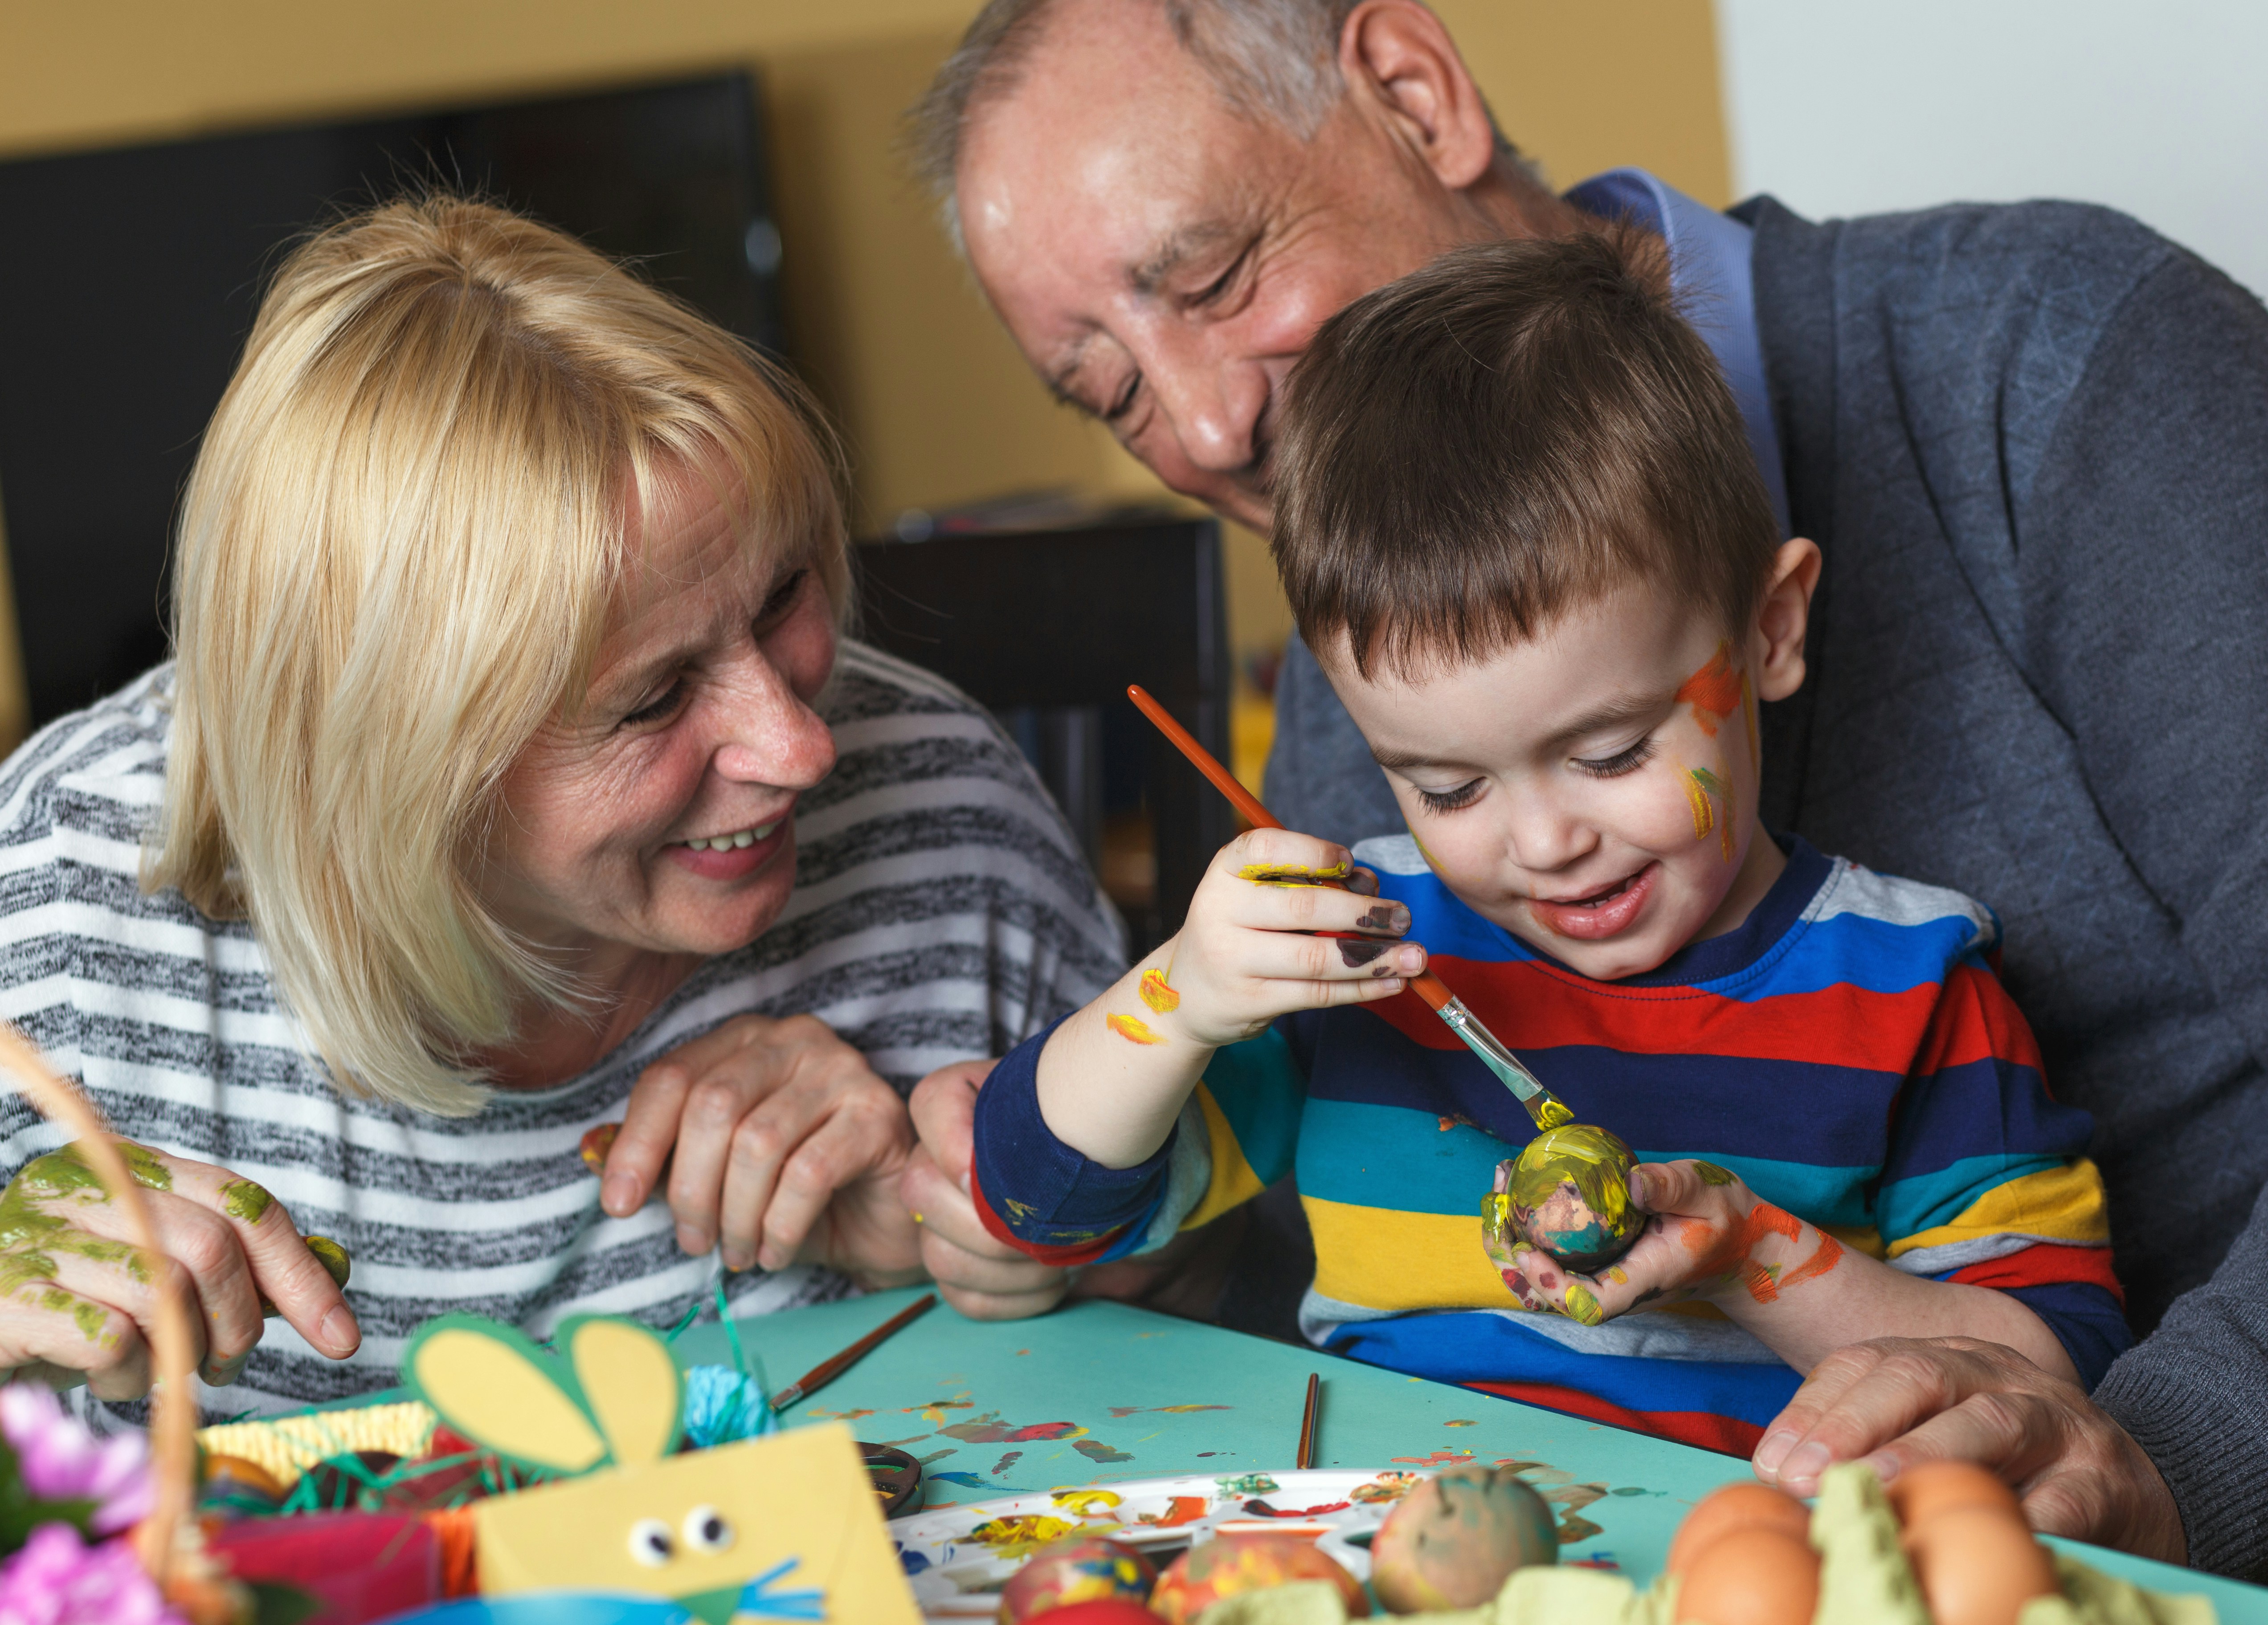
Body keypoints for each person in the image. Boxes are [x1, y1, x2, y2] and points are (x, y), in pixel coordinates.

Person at [899, 0, 2268, 1570]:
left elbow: (2030, 1364)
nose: (1207, 426)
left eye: (1213, 280)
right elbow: (1283, 1230)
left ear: (1414, 95)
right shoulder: (1372, 793)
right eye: (1109, 393)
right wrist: (1062, 1166)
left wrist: (2164, 1469)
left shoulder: (2056, 362)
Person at [963, 232, 2127, 1458]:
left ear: (1771, 631)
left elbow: (2050, 1379)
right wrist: (1181, 996)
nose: (1545, 842)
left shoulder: (1909, 990)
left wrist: (1747, 1251)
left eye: (1613, 754)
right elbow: (1040, 1209)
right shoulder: (1361, 959)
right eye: (1447, 786)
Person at [0, 196, 1123, 1420]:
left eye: (784, 592)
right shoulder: (55, 897)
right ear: (393, 764)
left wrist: (990, 1231)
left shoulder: (937, 795)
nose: (800, 748)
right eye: (651, 700)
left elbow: (1199, 1300)